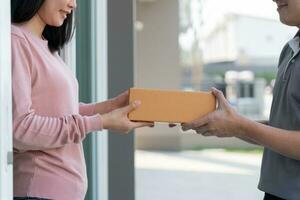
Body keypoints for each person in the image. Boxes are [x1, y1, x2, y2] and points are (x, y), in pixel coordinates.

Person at [11, 0, 152, 199]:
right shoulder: (15, 40)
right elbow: (20, 128)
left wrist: (110, 107)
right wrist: (99, 122)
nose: (73, 4)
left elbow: (59, 111)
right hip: (38, 192)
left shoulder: (45, 47)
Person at [182, 0, 300, 199]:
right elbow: (284, 128)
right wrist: (230, 125)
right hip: (275, 193)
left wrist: (239, 126)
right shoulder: (289, 50)